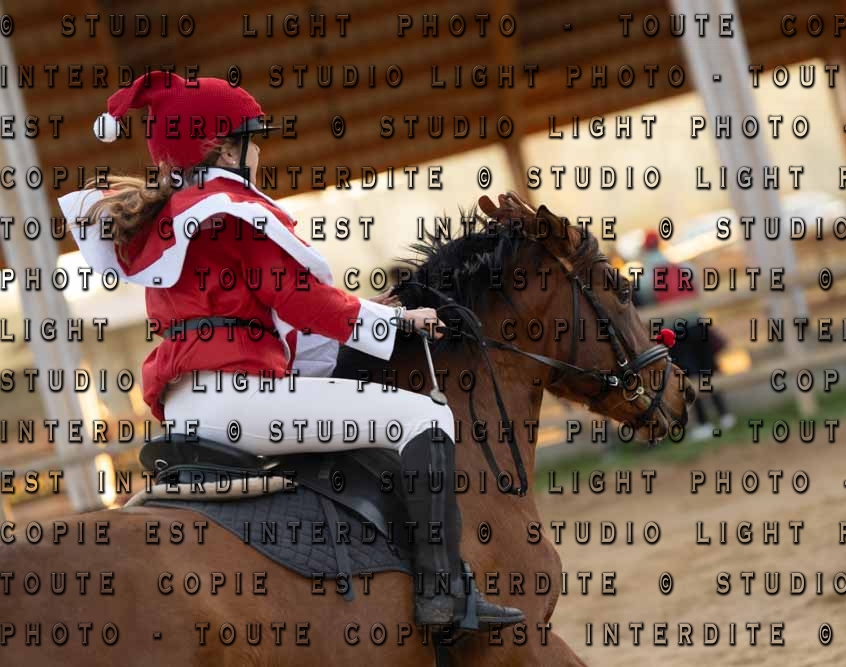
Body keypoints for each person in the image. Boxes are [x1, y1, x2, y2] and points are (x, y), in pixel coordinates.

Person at [57, 71, 523, 631]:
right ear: (226, 148)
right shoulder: (229, 210)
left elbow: (271, 311)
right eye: (253, 141)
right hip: (243, 402)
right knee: (426, 418)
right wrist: (398, 320)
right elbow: (301, 301)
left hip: (184, 408)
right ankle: (442, 593)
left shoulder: (168, 220)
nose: (259, 155)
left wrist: (362, 310)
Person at [651, 253, 736, 440]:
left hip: (674, 332)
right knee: (709, 369)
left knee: (688, 377)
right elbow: (698, 291)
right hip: (697, 324)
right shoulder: (685, 267)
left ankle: (704, 423)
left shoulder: (648, 277)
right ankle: (724, 415)